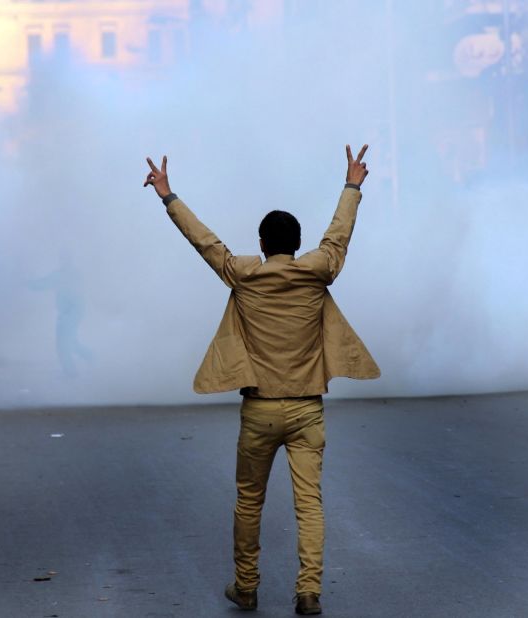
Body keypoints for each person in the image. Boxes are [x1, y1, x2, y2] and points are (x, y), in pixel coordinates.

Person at [143, 146, 380, 615]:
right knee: (309, 504)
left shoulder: (243, 274)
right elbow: (339, 236)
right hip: (307, 409)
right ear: (296, 244)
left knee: (249, 502)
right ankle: (309, 591)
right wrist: (352, 185)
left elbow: (205, 242)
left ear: (262, 243)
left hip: (259, 410)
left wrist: (168, 195)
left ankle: (246, 586)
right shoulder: (317, 271)